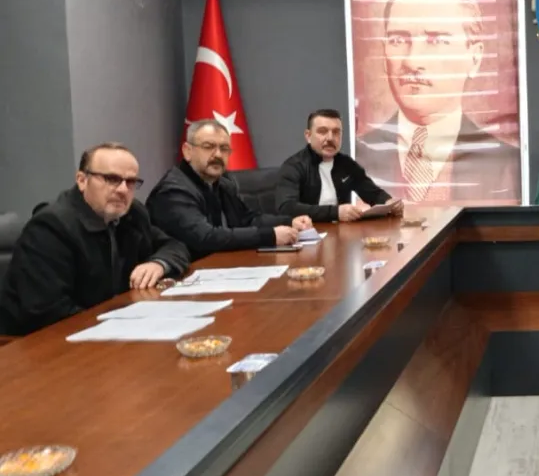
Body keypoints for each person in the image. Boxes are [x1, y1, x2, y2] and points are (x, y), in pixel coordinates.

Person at [0, 143, 191, 336]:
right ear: (82, 180)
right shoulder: (50, 227)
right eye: (112, 179)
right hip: (40, 342)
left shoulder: (132, 214)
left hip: (108, 325)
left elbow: (174, 246)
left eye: (130, 182)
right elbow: (48, 312)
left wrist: (159, 263)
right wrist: (121, 326)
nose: (123, 190)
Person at [355, 0, 520, 204]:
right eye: (398, 40)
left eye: (436, 40)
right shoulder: (358, 155)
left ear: (474, 57)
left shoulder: (508, 165)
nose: (412, 61)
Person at [147, 120, 310, 261]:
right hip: (182, 276)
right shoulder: (173, 191)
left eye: (224, 148)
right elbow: (205, 238)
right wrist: (270, 236)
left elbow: (248, 219)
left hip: (218, 267)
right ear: (187, 151)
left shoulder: (223, 184)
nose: (218, 154)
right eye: (208, 147)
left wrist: (289, 222)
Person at [277, 109, 402, 223]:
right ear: (308, 136)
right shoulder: (294, 166)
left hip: (341, 234)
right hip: (306, 234)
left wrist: (389, 202)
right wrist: (335, 212)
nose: (330, 138)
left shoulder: (346, 164)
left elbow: (373, 193)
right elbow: (286, 207)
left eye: (336, 132)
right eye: (322, 131)